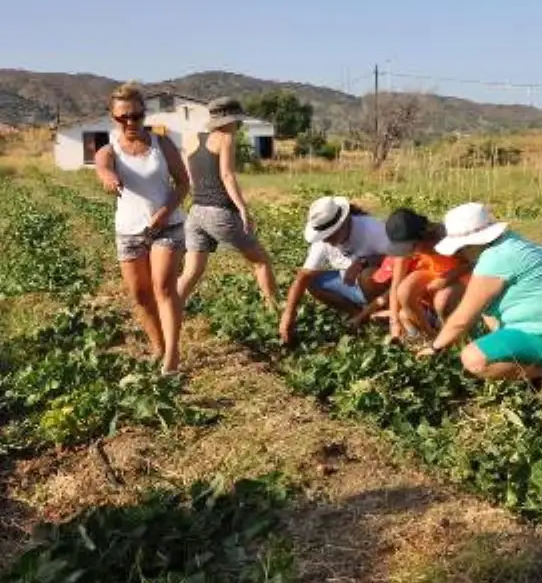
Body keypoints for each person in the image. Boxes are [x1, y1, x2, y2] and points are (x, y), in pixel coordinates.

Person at [417, 202, 542, 381]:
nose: (461, 254)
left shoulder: (495, 259)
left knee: (472, 359)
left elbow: (462, 318)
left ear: (471, 244)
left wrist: (435, 348)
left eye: (461, 248)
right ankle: (537, 367)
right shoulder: (512, 243)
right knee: (487, 310)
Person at [94, 82, 190, 375]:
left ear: (143, 114)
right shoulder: (109, 150)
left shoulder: (162, 144)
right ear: (113, 118)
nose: (130, 122)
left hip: (167, 226)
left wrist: (165, 211)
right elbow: (103, 168)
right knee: (139, 295)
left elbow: (183, 183)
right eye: (123, 117)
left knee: (163, 287)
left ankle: (172, 357)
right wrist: (109, 178)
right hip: (129, 231)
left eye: (136, 116)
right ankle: (158, 346)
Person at [176, 97, 278, 309]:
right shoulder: (226, 139)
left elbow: (191, 177)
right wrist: (243, 209)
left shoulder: (189, 138)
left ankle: (169, 308)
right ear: (230, 120)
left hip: (196, 212)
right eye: (237, 120)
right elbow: (227, 176)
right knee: (261, 262)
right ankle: (274, 312)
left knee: (191, 272)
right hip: (219, 211)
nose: (238, 125)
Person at [278, 196, 397, 344]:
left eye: (330, 235)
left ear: (345, 222)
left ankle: (382, 313)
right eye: (324, 236)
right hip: (350, 285)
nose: (327, 240)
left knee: (367, 275)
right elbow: (303, 276)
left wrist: (363, 262)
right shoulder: (322, 242)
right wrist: (288, 314)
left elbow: (399, 258)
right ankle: (359, 316)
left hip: (380, 288)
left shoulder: (371, 229)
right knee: (312, 282)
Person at [358, 206, 470, 344]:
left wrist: (446, 278)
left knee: (442, 299)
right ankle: (429, 335)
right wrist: (394, 322)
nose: (408, 252)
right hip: (434, 273)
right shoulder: (407, 247)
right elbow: (396, 286)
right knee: (404, 291)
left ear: (422, 235)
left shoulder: (446, 235)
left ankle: (452, 338)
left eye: (411, 247)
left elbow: (472, 264)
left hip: (461, 274)